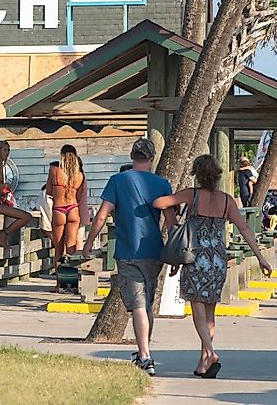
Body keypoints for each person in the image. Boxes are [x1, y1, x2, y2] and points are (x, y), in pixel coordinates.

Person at [153, 154, 272, 379]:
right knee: (210, 312)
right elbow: (245, 229)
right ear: (217, 175)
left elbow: (159, 203)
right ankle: (203, 363)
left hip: (196, 257)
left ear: (197, 174)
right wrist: (260, 258)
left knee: (197, 309)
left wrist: (172, 216)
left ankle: (210, 352)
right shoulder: (227, 201)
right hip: (218, 259)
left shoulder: (192, 195)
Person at [82, 138, 174, 376]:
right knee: (148, 305)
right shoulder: (162, 184)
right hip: (154, 251)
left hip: (128, 252)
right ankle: (145, 350)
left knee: (139, 307)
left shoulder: (117, 181)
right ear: (152, 158)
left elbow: (101, 215)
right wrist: (174, 254)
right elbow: (172, 223)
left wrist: (89, 242)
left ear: (132, 157)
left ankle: (145, 356)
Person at [46, 145, 86, 288]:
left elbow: (49, 191)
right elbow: (80, 196)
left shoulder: (55, 171)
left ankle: (59, 284)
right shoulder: (79, 175)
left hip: (59, 209)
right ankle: (70, 284)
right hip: (73, 209)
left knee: (58, 248)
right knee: (71, 248)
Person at [0, 140, 32, 247]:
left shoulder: (2, 167)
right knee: (25, 216)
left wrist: (4, 193)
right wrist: (3, 186)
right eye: (5, 150)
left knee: (26, 216)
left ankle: (4, 236)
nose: (7, 152)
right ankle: (3, 235)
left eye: (8, 150)